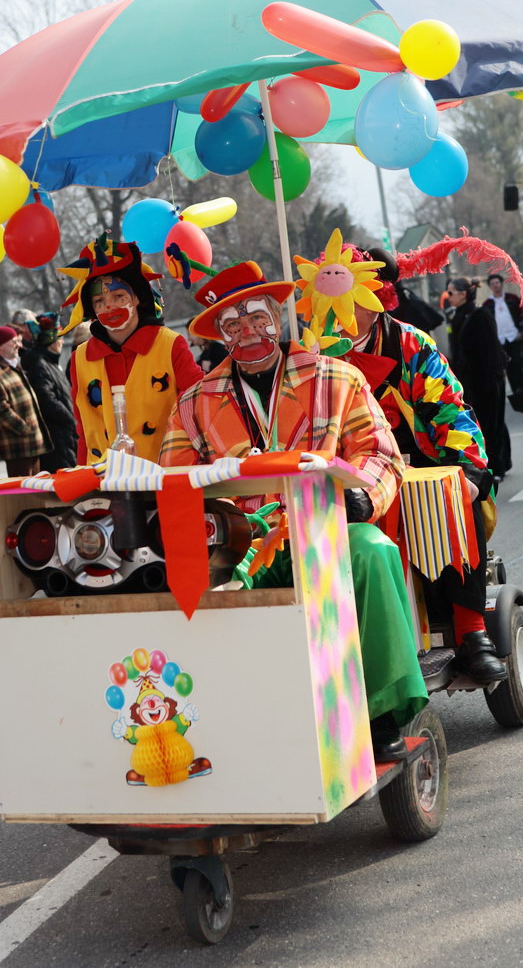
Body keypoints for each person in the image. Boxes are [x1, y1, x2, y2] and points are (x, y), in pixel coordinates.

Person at [160, 259, 428, 761]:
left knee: (372, 550)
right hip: (242, 546)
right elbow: (175, 480)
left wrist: (361, 495)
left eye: (257, 318)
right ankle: (223, 726)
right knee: (182, 579)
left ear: (278, 318)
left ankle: (380, 711)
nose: (248, 332)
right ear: (220, 336)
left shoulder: (337, 377)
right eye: (233, 325)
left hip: (324, 529)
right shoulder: (193, 403)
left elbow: (378, 452)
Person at [295, 232, 510, 684]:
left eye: (347, 299)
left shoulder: (411, 344)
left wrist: (468, 470)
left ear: (374, 298)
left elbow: (449, 409)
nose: (337, 313)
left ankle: (472, 634)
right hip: (349, 472)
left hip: (418, 466)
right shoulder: (308, 356)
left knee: (454, 495)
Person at [58, 234, 202, 463]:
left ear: (136, 299)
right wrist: (82, 474)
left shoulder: (170, 344)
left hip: (164, 471)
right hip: (105, 476)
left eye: (118, 296)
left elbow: (199, 408)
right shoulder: (81, 358)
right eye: (99, 301)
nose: (109, 306)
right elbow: (85, 430)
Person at [445, 277, 511, 481]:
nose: (448, 297)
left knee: (492, 421)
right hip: (469, 379)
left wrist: (491, 377)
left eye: (451, 293)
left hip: (487, 377)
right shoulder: (456, 316)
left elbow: (491, 350)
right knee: (482, 421)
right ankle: (500, 461)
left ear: (463, 294)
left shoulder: (481, 314)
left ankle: (497, 467)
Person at [0, 324, 50, 477]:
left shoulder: (12, 366)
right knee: (24, 489)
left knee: (38, 486)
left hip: (31, 444)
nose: (19, 345)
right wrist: (24, 429)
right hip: (18, 446)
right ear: (0, 346)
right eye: (13, 342)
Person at [22, 312, 78, 472]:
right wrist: (71, 419)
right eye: (59, 337)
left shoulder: (51, 363)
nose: (62, 341)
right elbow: (48, 401)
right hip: (56, 436)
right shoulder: (39, 365)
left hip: (66, 433)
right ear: (51, 340)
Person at [482, 273, 523, 393]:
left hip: (514, 337)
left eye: (497, 283)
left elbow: (522, 315)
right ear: (490, 286)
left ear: (501, 284)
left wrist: (520, 331)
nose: (495, 285)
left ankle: (520, 387)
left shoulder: (512, 299)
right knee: (507, 366)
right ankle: (515, 389)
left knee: (517, 363)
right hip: (499, 341)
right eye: (492, 284)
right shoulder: (487, 304)